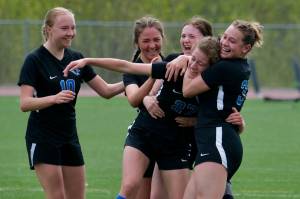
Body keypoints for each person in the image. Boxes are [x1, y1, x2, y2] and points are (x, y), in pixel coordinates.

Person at [63, 36, 245, 199]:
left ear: (211, 69)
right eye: (193, 58)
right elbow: (127, 66)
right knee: (130, 185)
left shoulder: (211, 87)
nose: (193, 65)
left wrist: (239, 122)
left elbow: (221, 115)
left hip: (176, 144)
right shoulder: (175, 68)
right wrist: (88, 60)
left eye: (200, 63)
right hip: (145, 132)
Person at [17, 7, 124, 199]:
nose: (71, 33)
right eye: (64, 28)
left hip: (69, 137)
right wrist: (53, 99)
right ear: (49, 29)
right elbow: (24, 103)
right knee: (57, 196)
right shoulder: (34, 60)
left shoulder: (76, 59)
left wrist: (132, 82)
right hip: (43, 137)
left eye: (73, 28)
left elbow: (106, 91)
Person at [167, 19, 263, 199]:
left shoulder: (225, 67)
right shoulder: (240, 65)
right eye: (224, 37)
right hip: (215, 141)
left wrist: (187, 61)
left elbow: (187, 90)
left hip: (217, 141)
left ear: (246, 48)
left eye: (232, 41)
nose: (225, 43)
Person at [122, 15, 167, 199]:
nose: (152, 45)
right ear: (137, 42)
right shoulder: (132, 70)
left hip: (171, 141)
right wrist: (153, 76)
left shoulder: (173, 63)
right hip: (145, 138)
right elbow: (133, 99)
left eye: (156, 40)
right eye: (146, 41)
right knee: (135, 190)